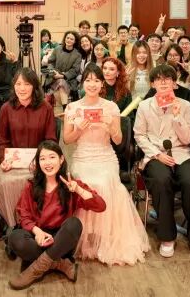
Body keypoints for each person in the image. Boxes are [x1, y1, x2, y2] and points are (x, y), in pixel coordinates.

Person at [62, 65, 149, 265]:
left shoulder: (111, 107)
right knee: (87, 181)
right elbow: (67, 140)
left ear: (102, 84)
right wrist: (79, 130)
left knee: (106, 181)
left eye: (96, 80)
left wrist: (110, 125)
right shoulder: (73, 107)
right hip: (83, 156)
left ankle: (106, 236)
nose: (92, 84)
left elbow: (118, 140)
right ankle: (87, 235)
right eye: (88, 80)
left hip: (105, 156)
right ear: (82, 83)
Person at [8, 141, 103, 289]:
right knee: (15, 238)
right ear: (38, 162)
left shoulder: (72, 185)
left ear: (61, 159)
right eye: (42, 158)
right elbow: (23, 215)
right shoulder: (31, 186)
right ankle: (60, 264)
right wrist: (37, 232)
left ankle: (34, 270)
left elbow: (101, 206)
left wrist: (78, 190)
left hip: (61, 240)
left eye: (52, 157)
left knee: (74, 224)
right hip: (38, 238)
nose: (47, 162)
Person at [134, 65, 190, 258]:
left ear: (174, 83)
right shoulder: (144, 105)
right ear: (153, 84)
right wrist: (157, 154)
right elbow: (139, 135)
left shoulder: (185, 105)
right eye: (159, 79)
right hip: (155, 154)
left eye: (168, 79)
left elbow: (189, 138)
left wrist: (176, 116)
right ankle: (167, 236)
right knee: (161, 180)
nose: (163, 82)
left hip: (181, 153)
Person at [0, 68, 57, 228]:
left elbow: (50, 139)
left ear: (34, 86)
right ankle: (13, 224)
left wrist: (42, 160)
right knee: (8, 182)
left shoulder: (45, 108)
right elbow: (2, 140)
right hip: (13, 163)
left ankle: (39, 223)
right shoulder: (6, 108)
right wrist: (4, 160)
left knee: (39, 181)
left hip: (40, 162)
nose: (22, 88)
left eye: (27, 84)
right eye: (18, 84)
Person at [43, 31, 82, 105]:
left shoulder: (77, 55)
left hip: (69, 80)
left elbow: (75, 70)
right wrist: (53, 72)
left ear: (75, 41)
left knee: (61, 83)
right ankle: (64, 107)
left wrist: (62, 76)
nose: (69, 40)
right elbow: (51, 62)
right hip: (54, 77)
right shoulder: (57, 49)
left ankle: (59, 105)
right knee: (59, 85)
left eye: (71, 39)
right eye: (67, 38)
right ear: (65, 38)